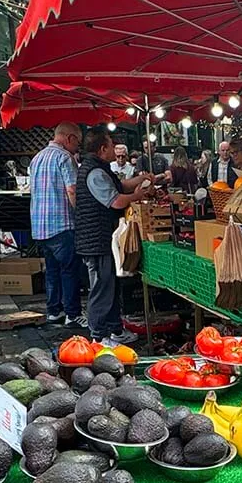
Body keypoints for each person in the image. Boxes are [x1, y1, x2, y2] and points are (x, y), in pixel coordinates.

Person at [75, 125, 154, 346]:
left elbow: (120, 185)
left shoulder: (100, 168)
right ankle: (98, 336)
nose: (114, 148)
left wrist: (141, 180)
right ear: (102, 149)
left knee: (111, 286)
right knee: (102, 287)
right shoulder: (95, 172)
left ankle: (114, 330)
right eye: (111, 145)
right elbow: (116, 200)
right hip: (97, 239)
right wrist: (137, 195)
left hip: (101, 237)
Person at [29, 121, 87, 327]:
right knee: (69, 269)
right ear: (70, 138)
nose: (78, 147)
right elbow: (72, 190)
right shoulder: (65, 158)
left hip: (39, 226)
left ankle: (54, 311)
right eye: (77, 142)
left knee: (52, 271)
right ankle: (72, 313)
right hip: (62, 224)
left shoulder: (36, 158)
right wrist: (81, 215)